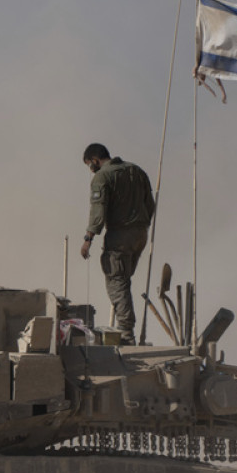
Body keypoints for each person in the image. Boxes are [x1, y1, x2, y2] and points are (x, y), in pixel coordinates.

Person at [79, 143, 155, 345]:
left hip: (119, 236)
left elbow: (98, 211)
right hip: (140, 234)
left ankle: (126, 333)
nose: (90, 169)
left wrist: (88, 239)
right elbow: (150, 204)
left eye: (89, 165)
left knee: (117, 281)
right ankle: (125, 327)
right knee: (123, 280)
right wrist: (141, 225)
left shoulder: (102, 177)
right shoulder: (136, 171)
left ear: (94, 160)